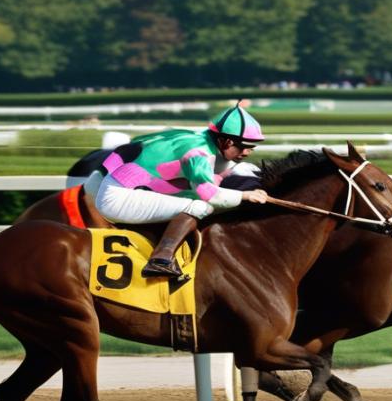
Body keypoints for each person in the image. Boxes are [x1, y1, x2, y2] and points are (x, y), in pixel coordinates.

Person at [93, 101, 269, 278]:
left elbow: (207, 180)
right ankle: (161, 259)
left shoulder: (201, 140)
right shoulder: (198, 153)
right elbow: (211, 195)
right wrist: (245, 195)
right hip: (118, 198)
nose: (247, 153)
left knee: (193, 198)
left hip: (123, 187)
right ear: (227, 142)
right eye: (244, 147)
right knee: (200, 207)